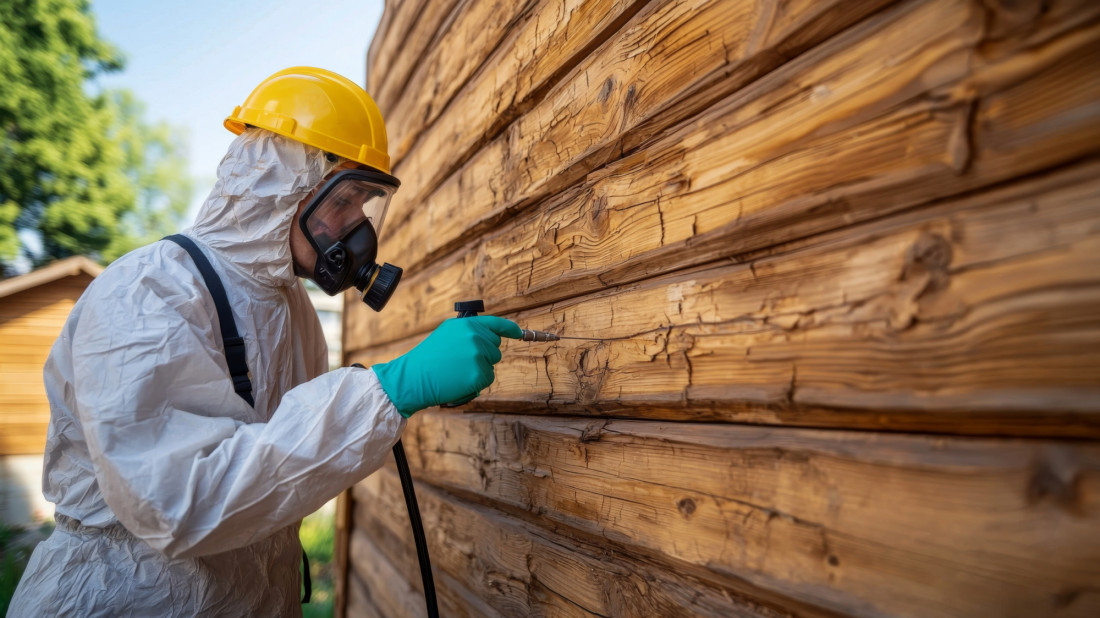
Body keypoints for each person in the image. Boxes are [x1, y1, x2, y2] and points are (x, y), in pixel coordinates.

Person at [8, 67, 520, 615]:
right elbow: (178, 500)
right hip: (123, 597)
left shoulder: (294, 312)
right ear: (281, 187)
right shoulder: (147, 292)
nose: (357, 227)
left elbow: (276, 470)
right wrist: (388, 392)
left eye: (367, 205)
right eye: (345, 201)